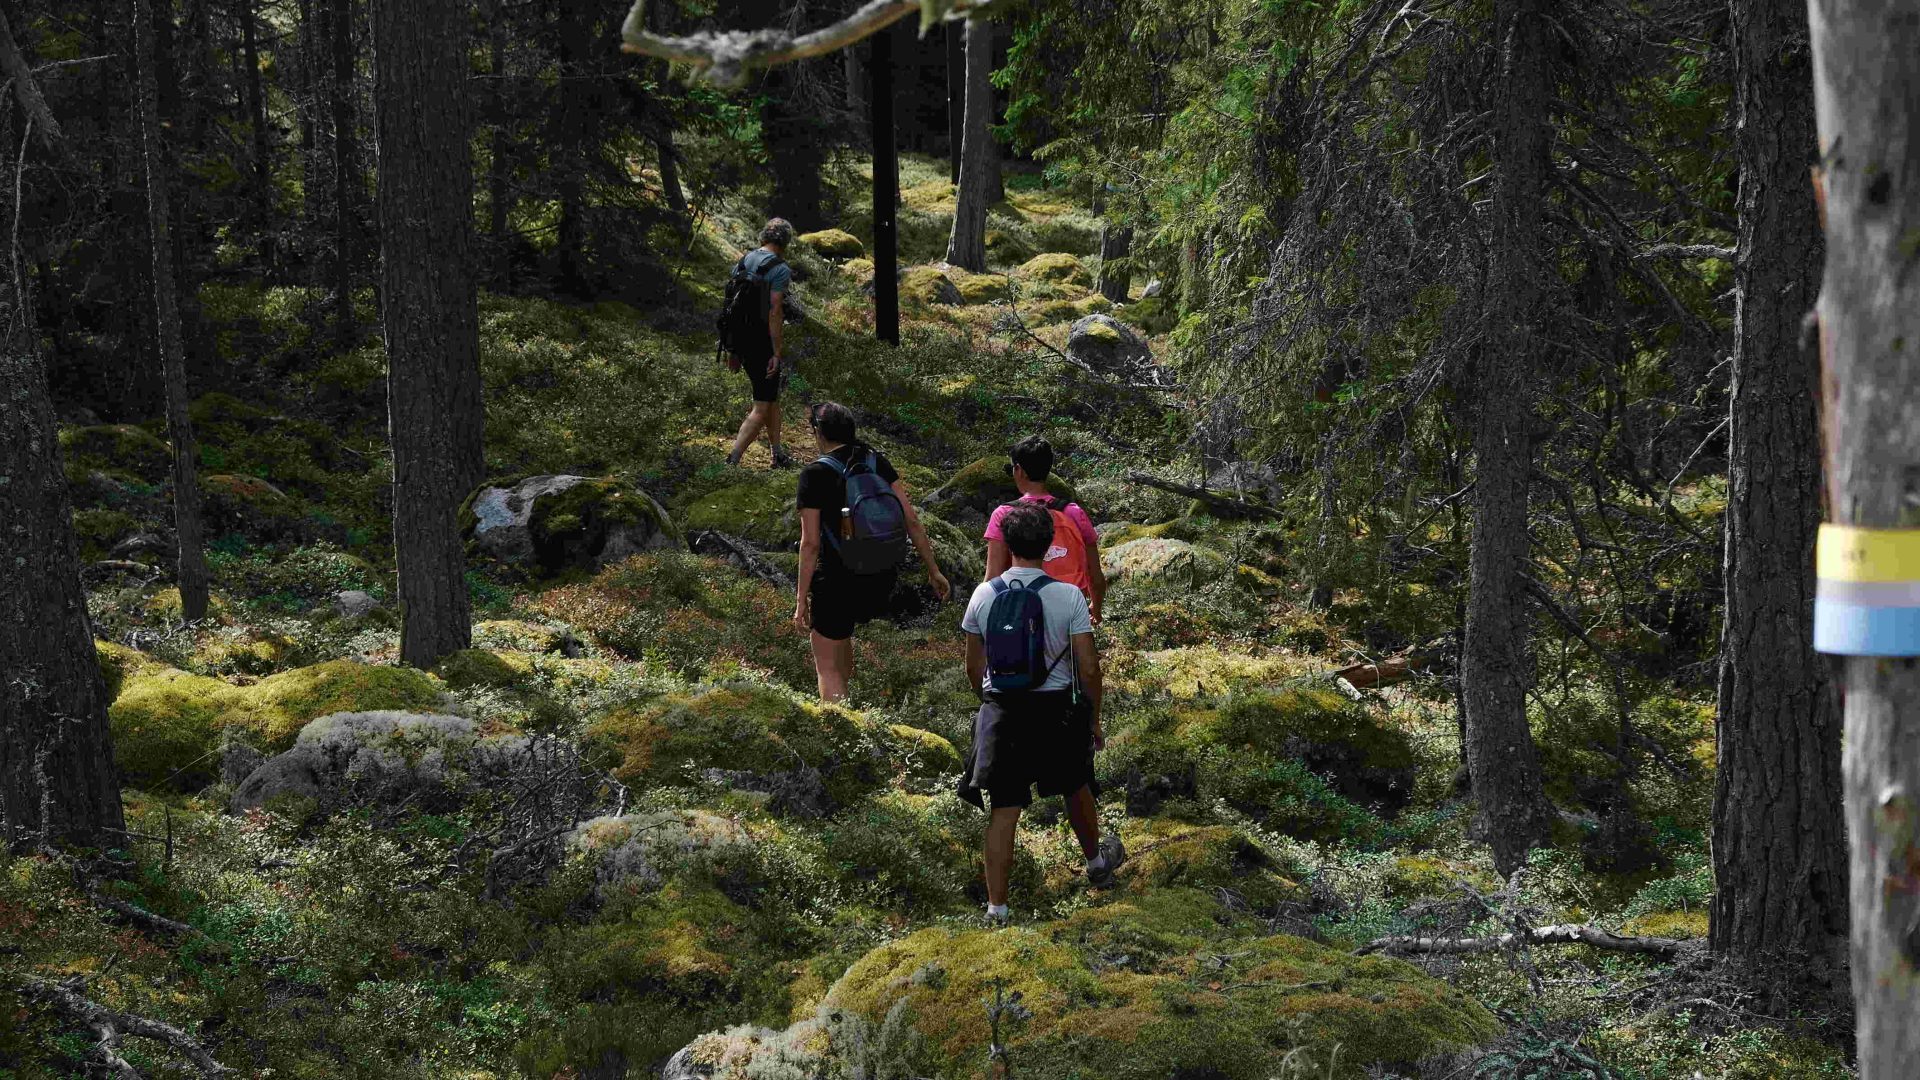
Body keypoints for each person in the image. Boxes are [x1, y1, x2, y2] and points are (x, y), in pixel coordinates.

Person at [959, 501, 1123, 923]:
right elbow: (1088, 666)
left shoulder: (983, 594)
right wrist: (1093, 718)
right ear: (1049, 543)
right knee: (1075, 787)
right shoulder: (1067, 596)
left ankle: (997, 909)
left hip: (1002, 710)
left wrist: (990, 701)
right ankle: (1096, 865)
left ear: (1007, 544)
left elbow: (973, 665)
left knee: (1004, 809)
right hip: (1055, 711)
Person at [793, 402, 952, 701]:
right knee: (842, 639)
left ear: (819, 433)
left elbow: (811, 543)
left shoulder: (814, 474)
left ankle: (840, 731)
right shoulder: (875, 459)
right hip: (881, 575)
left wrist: (801, 599)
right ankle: (849, 705)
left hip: (837, 579)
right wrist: (933, 569)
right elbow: (912, 519)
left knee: (826, 666)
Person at [984, 436, 1106, 623]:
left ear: (1019, 470)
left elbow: (993, 577)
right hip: (1070, 614)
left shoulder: (1004, 514)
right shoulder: (1073, 512)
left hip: (1021, 615)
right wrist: (1095, 609)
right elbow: (1095, 576)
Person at [726, 218, 796, 468]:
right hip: (761, 344)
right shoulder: (780, 269)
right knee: (762, 405)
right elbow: (775, 312)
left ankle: (777, 454)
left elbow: (730, 305)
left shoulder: (743, 261)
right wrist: (776, 352)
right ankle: (732, 460)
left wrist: (732, 348)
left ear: (764, 236)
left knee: (771, 397)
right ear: (785, 242)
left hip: (739, 339)